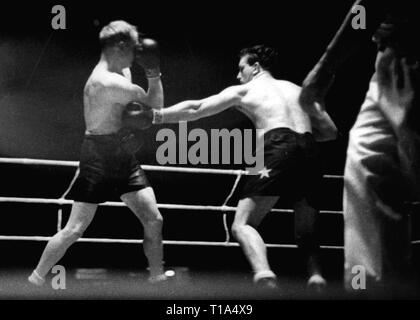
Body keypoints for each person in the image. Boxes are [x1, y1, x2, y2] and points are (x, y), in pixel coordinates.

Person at [134, 45, 338, 289]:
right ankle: (317, 277)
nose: (238, 75)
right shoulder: (298, 91)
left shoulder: (245, 90)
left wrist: (155, 116)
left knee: (243, 224)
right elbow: (330, 132)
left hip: (275, 144)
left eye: (242, 68)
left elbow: (196, 108)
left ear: (256, 67)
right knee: (307, 232)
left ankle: (264, 275)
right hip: (310, 148)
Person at [28, 20, 167, 285]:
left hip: (122, 154)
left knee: (153, 218)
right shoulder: (106, 82)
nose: (138, 50)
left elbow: (127, 112)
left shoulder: (120, 71)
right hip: (98, 158)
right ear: (121, 46)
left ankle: (158, 280)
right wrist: (153, 70)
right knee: (74, 229)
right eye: (134, 45)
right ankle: (34, 280)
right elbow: (155, 106)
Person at [299, 0, 420, 292]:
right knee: (364, 168)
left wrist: (325, 68)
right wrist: (326, 67)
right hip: (391, 60)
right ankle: (366, 289)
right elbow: (367, 10)